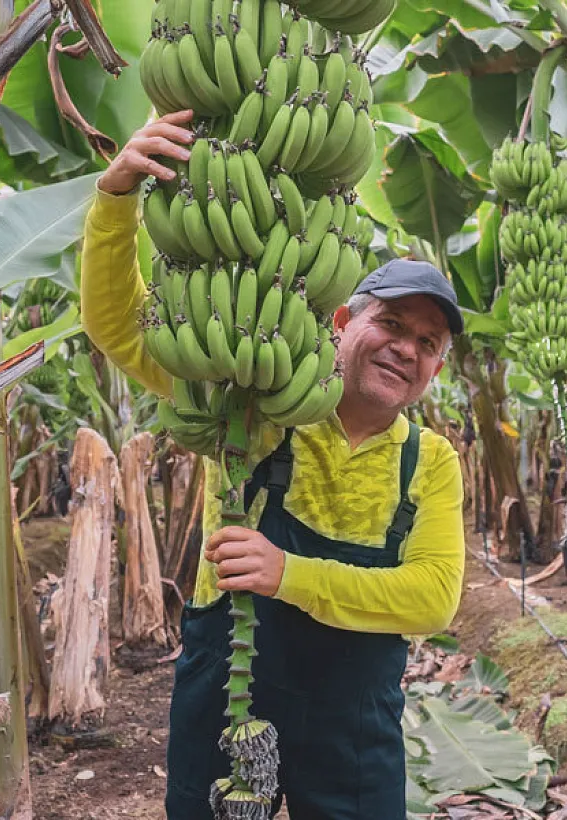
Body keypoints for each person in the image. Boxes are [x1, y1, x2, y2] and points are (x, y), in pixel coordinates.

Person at [81, 109, 466, 820]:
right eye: (391, 324)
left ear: (436, 367)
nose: (406, 350)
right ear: (343, 323)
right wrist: (117, 196)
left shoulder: (430, 460)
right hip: (229, 683)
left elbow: (432, 598)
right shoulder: (257, 397)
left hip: (354, 720)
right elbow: (120, 329)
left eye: (427, 343)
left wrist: (288, 574)